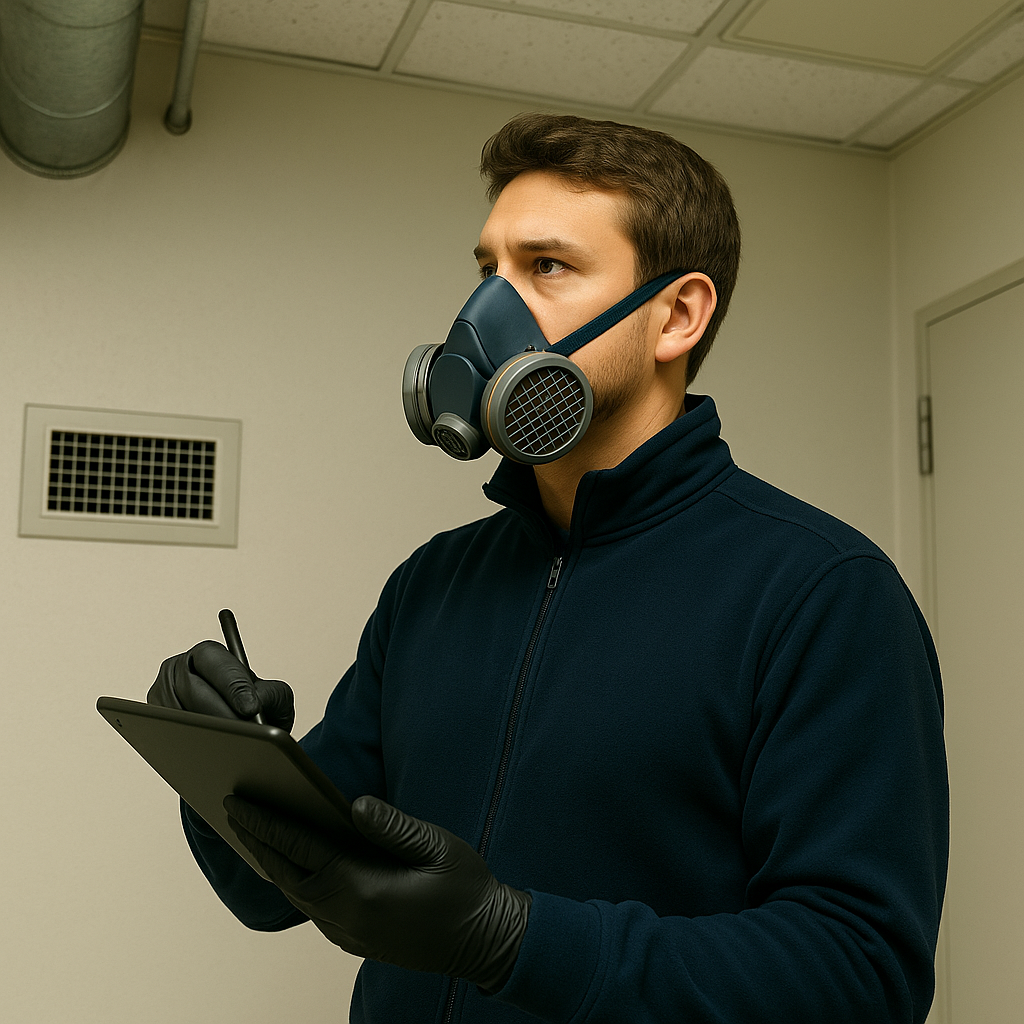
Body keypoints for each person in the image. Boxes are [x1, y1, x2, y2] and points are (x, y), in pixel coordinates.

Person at [149, 113, 948, 1024]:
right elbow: (276, 890)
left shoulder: (822, 593)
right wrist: (221, 764)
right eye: (488, 269)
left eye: (548, 267)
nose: (486, 314)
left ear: (677, 316)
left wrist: (511, 940)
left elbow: (860, 977)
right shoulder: (432, 584)